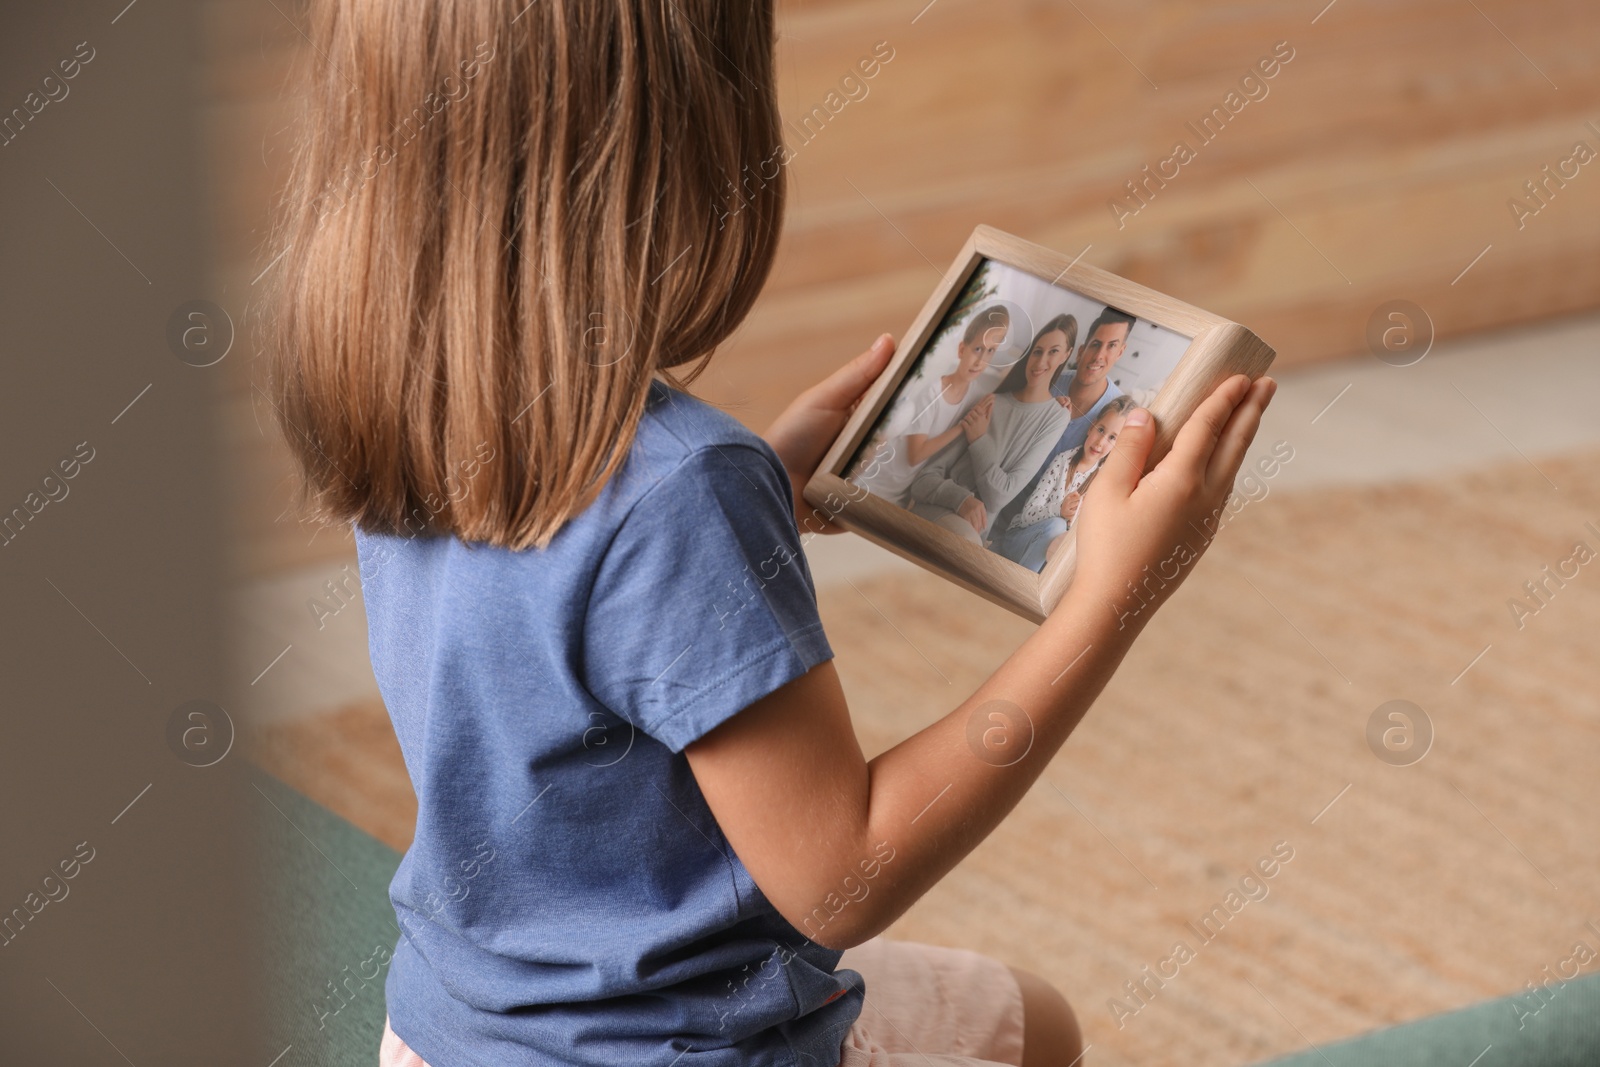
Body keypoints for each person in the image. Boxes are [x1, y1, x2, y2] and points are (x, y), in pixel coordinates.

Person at [263, 4, 1276, 1066]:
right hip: (679, 1045)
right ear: (693, 142)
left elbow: (570, 609)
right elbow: (847, 870)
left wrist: (755, 494)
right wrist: (1111, 598)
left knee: (1031, 1018)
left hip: (452, 1029)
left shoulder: (401, 398)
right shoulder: (680, 488)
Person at [903, 315, 1079, 546]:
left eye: (1053, 351)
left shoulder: (1057, 416)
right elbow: (924, 480)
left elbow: (999, 496)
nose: (1040, 361)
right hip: (939, 511)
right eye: (1037, 351)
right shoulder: (991, 402)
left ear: (1066, 355)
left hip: (972, 532)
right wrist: (962, 500)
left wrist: (979, 440)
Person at [989, 307, 1136, 536]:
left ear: (1121, 352)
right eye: (1096, 344)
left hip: (1049, 521)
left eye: (1112, 346)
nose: (1099, 356)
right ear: (1081, 350)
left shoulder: (1117, 416)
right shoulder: (1049, 382)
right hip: (1005, 494)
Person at [847, 304, 1009, 506]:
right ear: (962, 349)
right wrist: (962, 426)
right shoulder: (932, 393)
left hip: (899, 493)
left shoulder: (978, 396)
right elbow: (915, 456)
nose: (980, 361)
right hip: (878, 479)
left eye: (990, 351)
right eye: (977, 349)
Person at [991, 396, 1134, 572]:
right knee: (1057, 526)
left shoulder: (1103, 482)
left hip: (1051, 558)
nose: (1101, 442)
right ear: (1091, 427)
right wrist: (1059, 510)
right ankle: (1021, 583)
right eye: (1101, 430)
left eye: (1112, 438)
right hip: (1018, 539)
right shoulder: (1063, 462)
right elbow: (1028, 514)